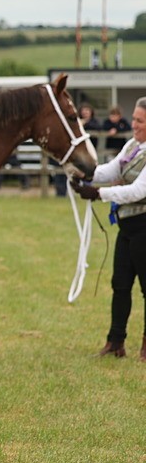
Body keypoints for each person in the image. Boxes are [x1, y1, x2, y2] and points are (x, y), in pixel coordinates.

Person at [72, 97, 146, 360]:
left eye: (139, 120)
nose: (134, 124)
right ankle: (116, 341)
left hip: (144, 226)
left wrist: (98, 194)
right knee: (120, 284)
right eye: (134, 119)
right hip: (127, 228)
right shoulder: (132, 146)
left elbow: (138, 191)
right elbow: (110, 170)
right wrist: (85, 174)